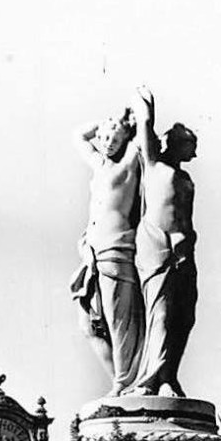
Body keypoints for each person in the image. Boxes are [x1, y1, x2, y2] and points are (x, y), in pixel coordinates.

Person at [69, 105, 145, 396]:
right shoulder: (99, 164)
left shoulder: (129, 161)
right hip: (92, 250)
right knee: (88, 323)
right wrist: (106, 122)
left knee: (118, 320)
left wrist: (129, 122)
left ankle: (124, 382)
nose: (109, 140)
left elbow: (142, 131)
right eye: (106, 135)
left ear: (127, 138)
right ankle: (121, 380)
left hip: (117, 247)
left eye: (117, 135)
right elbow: (78, 135)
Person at [129, 85, 198, 397]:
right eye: (190, 145)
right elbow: (145, 127)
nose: (194, 153)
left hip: (184, 250)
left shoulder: (184, 177)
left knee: (185, 316)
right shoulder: (154, 164)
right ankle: (153, 379)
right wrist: (146, 109)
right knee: (162, 312)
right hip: (157, 244)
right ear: (176, 143)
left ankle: (170, 375)